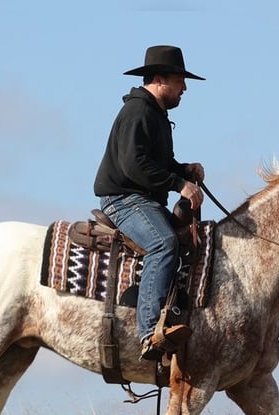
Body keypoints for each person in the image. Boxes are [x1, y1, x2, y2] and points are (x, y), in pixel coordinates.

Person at [94, 45, 206, 362]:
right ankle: (148, 333)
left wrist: (183, 169)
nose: (184, 88)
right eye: (179, 80)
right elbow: (135, 166)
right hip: (124, 200)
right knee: (164, 244)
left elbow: (159, 161)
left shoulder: (154, 114)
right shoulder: (138, 112)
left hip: (142, 199)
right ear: (159, 79)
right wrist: (179, 184)